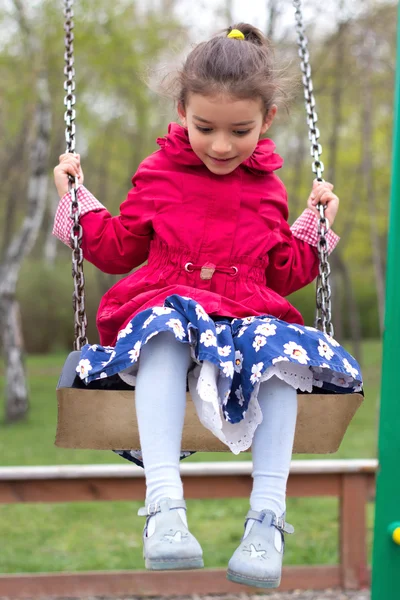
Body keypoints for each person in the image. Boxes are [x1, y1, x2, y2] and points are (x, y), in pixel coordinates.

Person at [53, 24, 362, 589]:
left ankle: (266, 522)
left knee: (278, 355)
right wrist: (76, 200)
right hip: (169, 306)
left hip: (244, 318)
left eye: (239, 130)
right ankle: (165, 508)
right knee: (166, 331)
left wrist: (316, 226)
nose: (221, 145)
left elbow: (283, 271)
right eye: (205, 127)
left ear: (266, 120)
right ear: (181, 111)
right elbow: (117, 248)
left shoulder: (268, 186)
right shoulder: (160, 172)